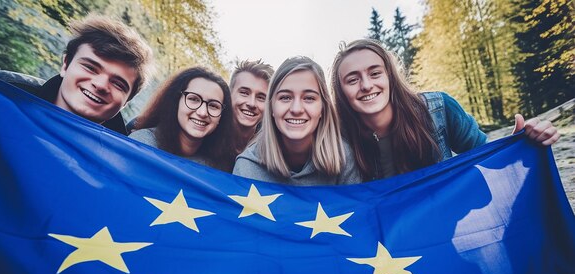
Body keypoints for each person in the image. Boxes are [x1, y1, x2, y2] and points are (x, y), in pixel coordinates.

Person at [330, 39, 560, 180]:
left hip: (446, 231)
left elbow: (488, 159)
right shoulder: (336, 141)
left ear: (390, 76)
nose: (367, 85)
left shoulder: (438, 108)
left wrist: (520, 144)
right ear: (341, 92)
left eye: (375, 73)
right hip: (384, 246)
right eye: (352, 79)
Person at [0, 14, 154, 135]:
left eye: (118, 83)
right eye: (90, 67)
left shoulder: (124, 163)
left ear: (127, 101)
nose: (100, 84)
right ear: (65, 64)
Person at [233, 56, 361, 185]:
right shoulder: (246, 167)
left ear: (323, 108)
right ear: (271, 107)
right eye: (285, 97)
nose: (296, 109)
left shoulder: (344, 158)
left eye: (309, 98)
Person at [130, 67, 237, 172]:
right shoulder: (142, 144)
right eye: (193, 99)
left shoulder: (220, 168)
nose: (202, 112)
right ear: (176, 102)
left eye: (213, 106)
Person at [229, 59, 274, 153]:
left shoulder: (272, 148)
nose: (252, 103)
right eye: (244, 93)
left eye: (261, 97)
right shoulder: (206, 135)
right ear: (229, 94)